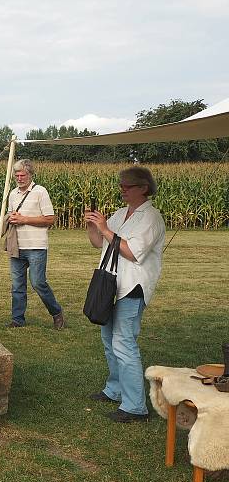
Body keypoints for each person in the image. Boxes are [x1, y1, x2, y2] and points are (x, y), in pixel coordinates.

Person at [85, 166, 165, 423]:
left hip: (132, 287)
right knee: (109, 340)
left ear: (143, 187)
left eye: (127, 186)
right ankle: (115, 389)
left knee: (124, 343)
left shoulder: (151, 218)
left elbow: (133, 252)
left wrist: (106, 229)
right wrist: (93, 226)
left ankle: (134, 406)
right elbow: (100, 243)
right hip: (112, 285)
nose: (122, 189)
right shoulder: (121, 214)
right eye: (121, 185)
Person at [6, 159, 65, 329]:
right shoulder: (12, 194)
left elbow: (50, 219)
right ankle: (18, 319)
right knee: (17, 285)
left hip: (36, 246)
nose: (19, 178)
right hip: (16, 245)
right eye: (16, 175)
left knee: (38, 282)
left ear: (30, 175)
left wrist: (24, 219)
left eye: (22, 175)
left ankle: (56, 312)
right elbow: (11, 215)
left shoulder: (40, 192)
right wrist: (11, 218)